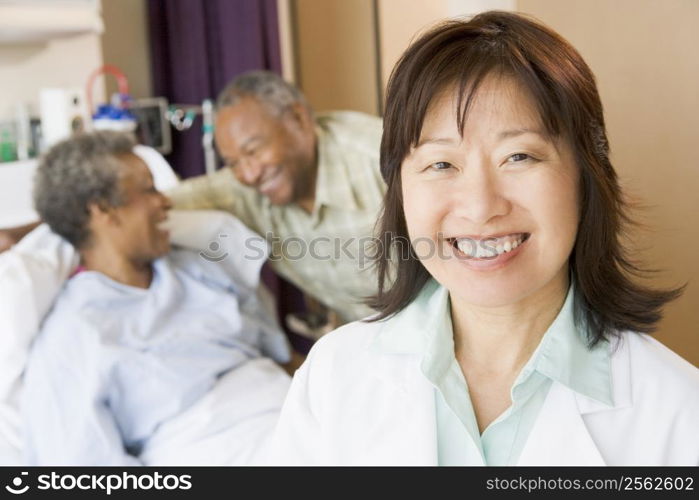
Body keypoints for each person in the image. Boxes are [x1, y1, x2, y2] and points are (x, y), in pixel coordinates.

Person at [267, 11, 699, 465]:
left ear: (586, 177)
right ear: (400, 191)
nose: (480, 206)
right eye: (441, 164)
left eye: (519, 156)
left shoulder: (678, 411)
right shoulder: (333, 373)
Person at [22, 131, 293, 465]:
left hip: (292, 414)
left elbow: (283, 358)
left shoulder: (199, 269)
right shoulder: (75, 337)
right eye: (148, 189)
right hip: (214, 450)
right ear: (104, 211)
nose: (165, 202)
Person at [166, 71, 385, 324]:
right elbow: (159, 203)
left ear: (298, 119)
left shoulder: (383, 158)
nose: (249, 174)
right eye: (233, 163)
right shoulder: (243, 190)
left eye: (254, 150)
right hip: (371, 341)